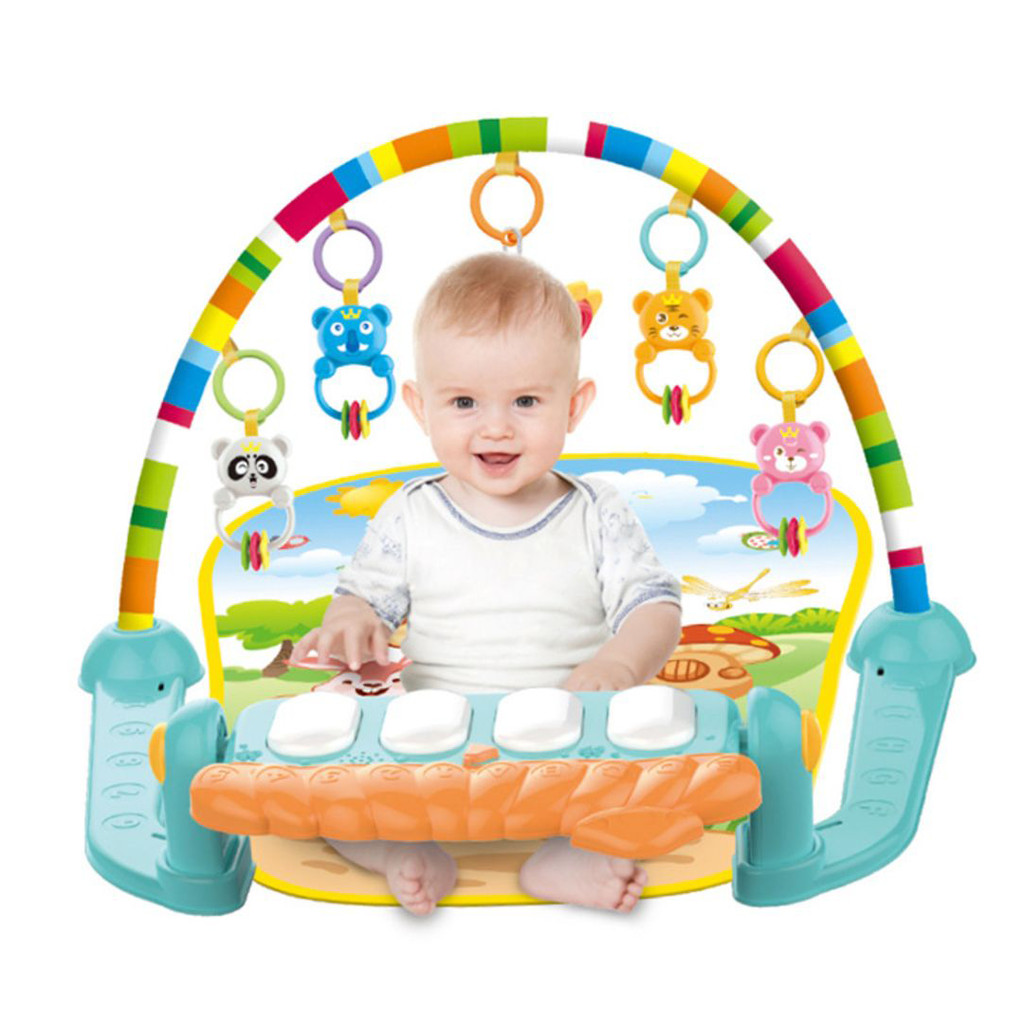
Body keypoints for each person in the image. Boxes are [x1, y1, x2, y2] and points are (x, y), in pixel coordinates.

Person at [293, 252, 682, 914]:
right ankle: (402, 849)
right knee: (323, 771)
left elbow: (655, 607)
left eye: (527, 401)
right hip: (428, 750)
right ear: (420, 407)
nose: (496, 426)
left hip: (573, 744)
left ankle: (568, 855)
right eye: (464, 402)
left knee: (670, 761)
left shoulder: (597, 511)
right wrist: (352, 621)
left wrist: (619, 664)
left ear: (574, 405)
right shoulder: (410, 513)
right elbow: (362, 600)